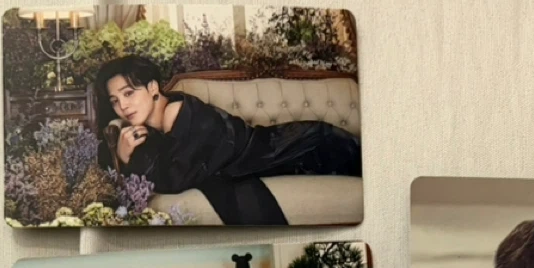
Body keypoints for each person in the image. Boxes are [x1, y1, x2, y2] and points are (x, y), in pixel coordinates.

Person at [96, 55, 362, 227]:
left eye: (129, 93)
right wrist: (120, 154)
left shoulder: (181, 113)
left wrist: (125, 157)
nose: (123, 107)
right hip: (292, 157)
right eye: (115, 101)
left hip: (308, 146)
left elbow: (174, 180)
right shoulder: (151, 127)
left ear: (153, 87)